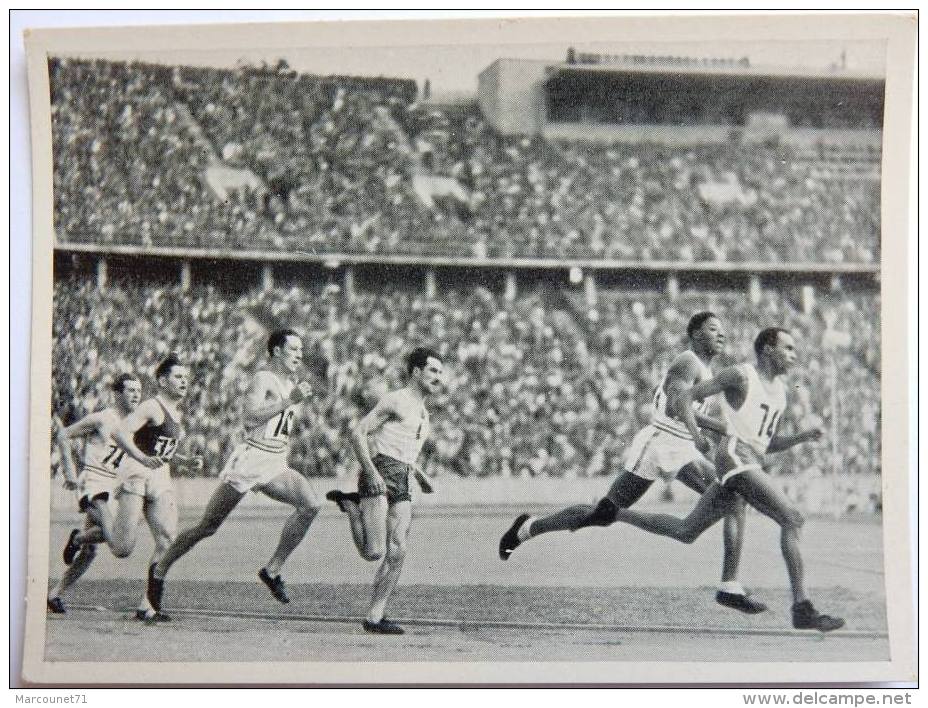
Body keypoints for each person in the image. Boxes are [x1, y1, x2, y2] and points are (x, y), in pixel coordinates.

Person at [498, 312, 766, 614]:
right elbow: (677, 406)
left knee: (729, 493)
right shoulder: (688, 362)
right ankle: (528, 528)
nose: (721, 335)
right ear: (694, 334)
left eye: (723, 330)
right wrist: (723, 429)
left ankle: (526, 529)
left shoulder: (705, 370)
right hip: (661, 442)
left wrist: (718, 431)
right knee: (608, 513)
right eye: (713, 329)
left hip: (680, 445)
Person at [607, 328, 845, 632]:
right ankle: (802, 608)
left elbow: (767, 443)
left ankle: (617, 513)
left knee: (686, 530)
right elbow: (686, 397)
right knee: (792, 518)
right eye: (788, 348)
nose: (794, 355)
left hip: (747, 459)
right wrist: (697, 435)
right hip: (734, 456)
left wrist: (802, 437)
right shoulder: (742, 375)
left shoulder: (781, 394)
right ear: (768, 350)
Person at [147, 330, 321, 616]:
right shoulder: (263, 378)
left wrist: (292, 399)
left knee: (310, 505)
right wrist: (289, 400)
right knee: (208, 526)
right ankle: (160, 569)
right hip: (251, 459)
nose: (299, 355)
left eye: (301, 349)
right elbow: (249, 417)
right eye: (293, 349)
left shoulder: (290, 382)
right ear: (276, 351)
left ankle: (272, 570)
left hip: (276, 460)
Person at [60, 359, 202, 621]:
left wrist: (185, 461)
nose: (184, 381)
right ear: (162, 381)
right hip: (136, 473)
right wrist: (140, 458)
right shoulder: (150, 406)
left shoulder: (177, 413)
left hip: (159, 476)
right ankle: (78, 538)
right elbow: (120, 433)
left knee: (167, 539)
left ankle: (147, 606)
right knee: (122, 547)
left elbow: (160, 449)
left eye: (186, 377)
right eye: (178, 376)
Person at [327, 347, 444, 635]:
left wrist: (418, 472)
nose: (438, 378)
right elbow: (357, 433)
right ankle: (353, 508)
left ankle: (375, 617)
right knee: (373, 552)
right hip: (379, 473)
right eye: (432, 371)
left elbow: (404, 450)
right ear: (416, 372)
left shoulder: (424, 414)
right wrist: (371, 472)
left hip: (402, 478)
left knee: (398, 550)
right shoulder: (395, 401)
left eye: (440, 372)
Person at [48, 373, 142, 613]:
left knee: (91, 551)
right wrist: (69, 470)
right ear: (117, 394)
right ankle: (77, 537)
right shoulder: (102, 419)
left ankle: (55, 594)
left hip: (110, 486)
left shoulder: (134, 424)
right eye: (130, 390)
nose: (136, 395)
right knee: (115, 538)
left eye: (138, 391)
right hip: (92, 481)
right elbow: (62, 434)